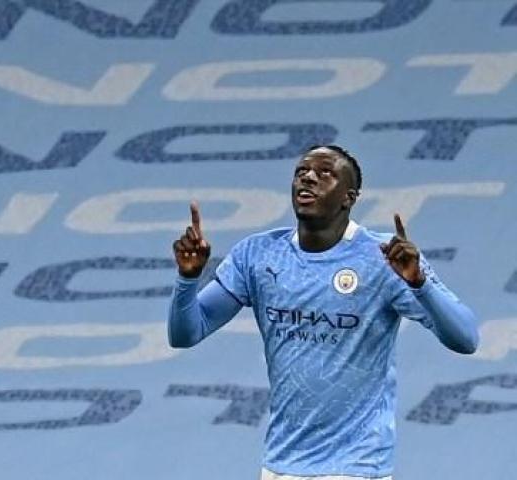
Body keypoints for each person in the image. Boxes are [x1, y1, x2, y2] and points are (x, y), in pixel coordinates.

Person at [167, 145, 479, 480]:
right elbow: (186, 334)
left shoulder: (386, 257)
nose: (309, 178)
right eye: (302, 172)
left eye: (325, 173)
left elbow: (466, 338)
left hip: (357, 467)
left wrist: (419, 283)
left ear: (349, 197)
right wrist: (187, 278)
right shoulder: (257, 255)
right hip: (280, 466)